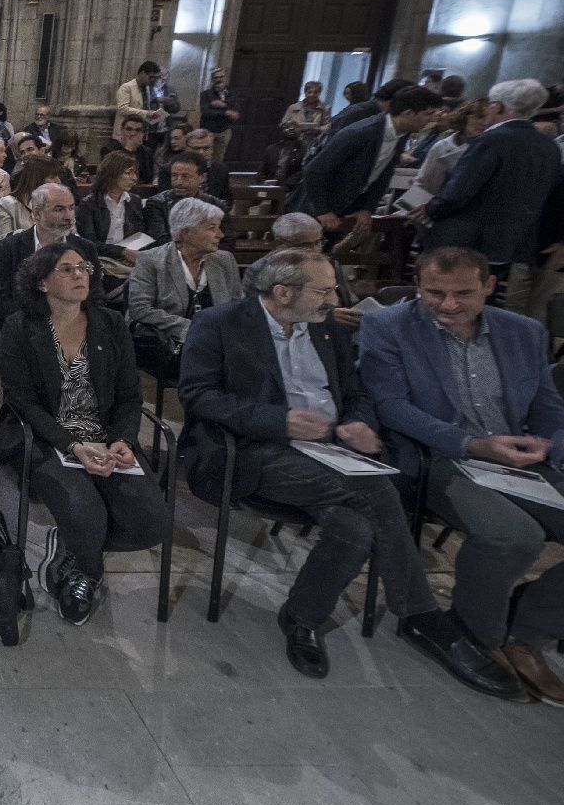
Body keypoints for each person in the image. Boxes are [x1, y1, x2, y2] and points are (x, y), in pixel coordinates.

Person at [176, 248, 518, 694]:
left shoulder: (330, 330)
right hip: (249, 451)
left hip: (329, 454)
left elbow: (356, 392)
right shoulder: (221, 324)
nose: (334, 297)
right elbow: (199, 395)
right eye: (323, 290)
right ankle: (421, 615)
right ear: (282, 292)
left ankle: (301, 618)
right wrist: (277, 420)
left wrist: (359, 422)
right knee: (375, 490)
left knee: (356, 528)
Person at [359, 247, 564, 704]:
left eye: (463, 294)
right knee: (515, 536)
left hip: (520, 457)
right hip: (444, 457)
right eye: (435, 293)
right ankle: (477, 634)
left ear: (489, 287)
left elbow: (548, 407)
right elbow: (391, 407)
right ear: (418, 287)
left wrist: (550, 444)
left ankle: (527, 628)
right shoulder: (387, 326)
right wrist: (472, 445)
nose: (448, 305)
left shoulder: (523, 331)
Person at [0, 244, 165, 625]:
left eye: (84, 268)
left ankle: (71, 548)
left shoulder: (110, 324)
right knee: (86, 514)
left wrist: (122, 439)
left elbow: (128, 395)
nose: (79, 275)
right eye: (67, 269)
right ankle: (86, 571)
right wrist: (71, 444)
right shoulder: (20, 328)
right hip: (47, 438)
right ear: (42, 282)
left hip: (105, 435)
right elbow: (23, 402)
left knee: (152, 524)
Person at [424, 79, 562, 277]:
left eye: (489, 104)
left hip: (468, 241)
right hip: (514, 242)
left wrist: (431, 210)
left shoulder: (492, 140)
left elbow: (458, 191)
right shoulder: (549, 146)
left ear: (498, 107)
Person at [291, 85, 444, 239]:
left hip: (346, 208)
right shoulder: (362, 132)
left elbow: (383, 174)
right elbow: (314, 170)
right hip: (318, 208)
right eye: (427, 114)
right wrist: (322, 210)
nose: (431, 120)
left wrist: (367, 208)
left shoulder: (401, 133)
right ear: (408, 113)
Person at [127, 197, 241, 362]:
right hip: (170, 345)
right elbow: (140, 309)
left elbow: (237, 306)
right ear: (186, 232)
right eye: (212, 228)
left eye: (219, 227)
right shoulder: (150, 260)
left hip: (219, 341)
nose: (220, 235)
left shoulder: (224, 260)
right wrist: (193, 330)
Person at [0, 181, 100, 326]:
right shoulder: (9, 248)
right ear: (37, 213)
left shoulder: (86, 248)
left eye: (71, 208)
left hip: (73, 326)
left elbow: (95, 296)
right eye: (59, 209)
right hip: (23, 329)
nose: (69, 216)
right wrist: (42, 323)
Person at [76, 150, 147, 290]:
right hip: (103, 261)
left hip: (129, 258)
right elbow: (88, 244)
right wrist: (122, 251)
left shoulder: (134, 201)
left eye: (135, 173)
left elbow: (140, 233)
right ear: (112, 173)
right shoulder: (89, 204)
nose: (134, 178)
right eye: (128, 173)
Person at [143, 152, 234, 249]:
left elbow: (227, 242)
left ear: (202, 178)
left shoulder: (216, 204)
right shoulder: (157, 203)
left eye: (185, 176)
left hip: (209, 258)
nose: (179, 182)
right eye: (174, 176)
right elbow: (160, 241)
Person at [414, 98, 488, 195]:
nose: (484, 123)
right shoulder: (441, 145)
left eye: (487, 119)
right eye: (479, 117)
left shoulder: (487, 150)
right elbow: (421, 181)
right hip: (428, 201)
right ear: (464, 117)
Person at [0, 154, 62, 241]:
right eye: (52, 177)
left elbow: (72, 234)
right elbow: (1, 238)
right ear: (36, 179)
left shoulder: (62, 203)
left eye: (58, 176)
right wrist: (32, 234)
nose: (58, 181)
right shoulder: (8, 204)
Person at [157, 129, 234, 201]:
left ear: (212, 149)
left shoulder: (220, 169)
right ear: (186, 149)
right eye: (196, 148)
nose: (201, 152)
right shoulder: (168, 170)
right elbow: (165, 200)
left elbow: (227, 199)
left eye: (206, 148)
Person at [114, 60, 166, 139]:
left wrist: (154, 115)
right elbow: (123, 109)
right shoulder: (127, 87)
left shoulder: (147, 88)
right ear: (142, 73)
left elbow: (144, 107)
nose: (152, 80)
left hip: (141, 132)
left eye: (154, 78)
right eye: (151, 77)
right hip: (126, 134)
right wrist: (147, 113)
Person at [98, 115, 156, 185]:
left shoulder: (147, 151)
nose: (133, 133)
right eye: (129, 129)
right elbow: (114, 176)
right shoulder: (108, 150)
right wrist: (128, 150)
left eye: (138, 130)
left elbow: (147, 177)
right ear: (122, 131)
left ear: (142, 133)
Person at [198, 67, 240, 157]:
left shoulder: (232, 94)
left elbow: (235, 111)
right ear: (212, 79)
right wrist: (225, 112)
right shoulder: (206, 94)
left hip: (224, 131)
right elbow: (205, 112)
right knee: (204, 156)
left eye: (221, 77)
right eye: (216, 77)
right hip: (208, 130)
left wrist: (223, 105)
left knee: (219, 157)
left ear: (225, 77)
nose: (219, 79)